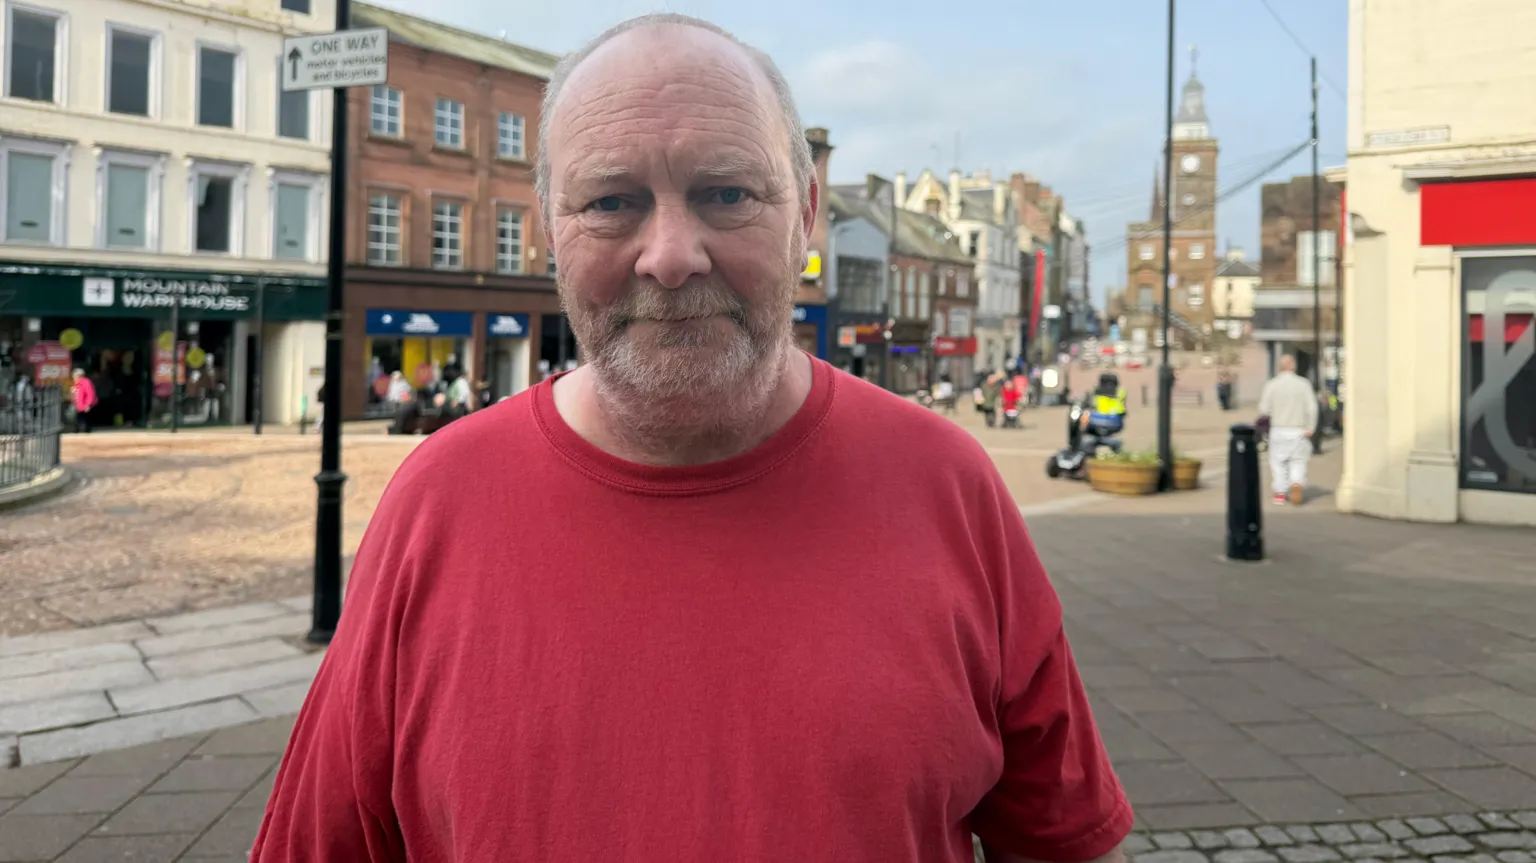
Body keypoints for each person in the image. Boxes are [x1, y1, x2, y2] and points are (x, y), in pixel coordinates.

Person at [251, 15, 1131, 863]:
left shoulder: (948, 486)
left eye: (726, 193)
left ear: (806, 213)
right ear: (550, 228)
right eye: (612, 200)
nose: (671, 256)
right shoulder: (435, 504)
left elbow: (1059, 837)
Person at [1257, 354, 1319, 506]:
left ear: (1280, 367)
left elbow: (1264, 409)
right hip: (1298, 429)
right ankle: (1297, 483)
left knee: (1278, 463)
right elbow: (1312, 407)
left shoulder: (1272, 384)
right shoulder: (1303, 384)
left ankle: (1280, 493)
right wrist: (1311, 427)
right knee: (1298, 460)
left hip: (1278, 429)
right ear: (1294, 367)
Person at [69, 368, 97, 433]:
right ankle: (78, 429)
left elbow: (90, 395)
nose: (73, 378)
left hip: (85, 405)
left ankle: (84, 430)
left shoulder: (86, 383)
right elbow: (75, 394)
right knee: (79, 418)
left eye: (74, 376)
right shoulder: (76, 383)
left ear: (79, 376)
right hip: (79, 405)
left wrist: (88, 405)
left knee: (84, 418)